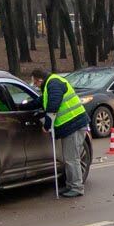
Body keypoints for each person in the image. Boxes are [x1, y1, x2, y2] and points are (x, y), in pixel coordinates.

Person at [30, 67, 90, 198]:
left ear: (40, 79)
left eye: (35, 83)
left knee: (71, 158)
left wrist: (47, 125)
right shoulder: (50, 84)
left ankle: (77, 187)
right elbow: (41, 101)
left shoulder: (53, 84)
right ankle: (71, 185)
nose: (35, 85)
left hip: (73, 125)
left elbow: (53, 107)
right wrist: (24, 106)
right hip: (71, 125)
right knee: (69, 158)